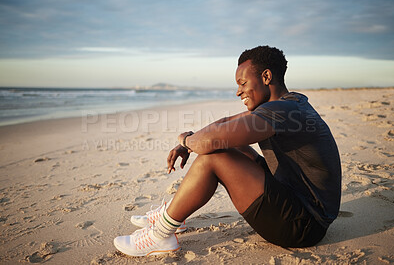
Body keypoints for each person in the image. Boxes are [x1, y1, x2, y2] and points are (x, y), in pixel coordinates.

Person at [113, 45, 342, 256]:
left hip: (304, 225)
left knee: (212, 159)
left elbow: (210, 141)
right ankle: (175, 214)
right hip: (298, 201)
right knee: (229, 143)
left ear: (266, 77)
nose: (238, 92)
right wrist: (190, 142)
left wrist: (185, 140)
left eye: (243, 83)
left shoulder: (284, 110)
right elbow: (223, 124)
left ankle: (160, 235)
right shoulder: (288, 104)